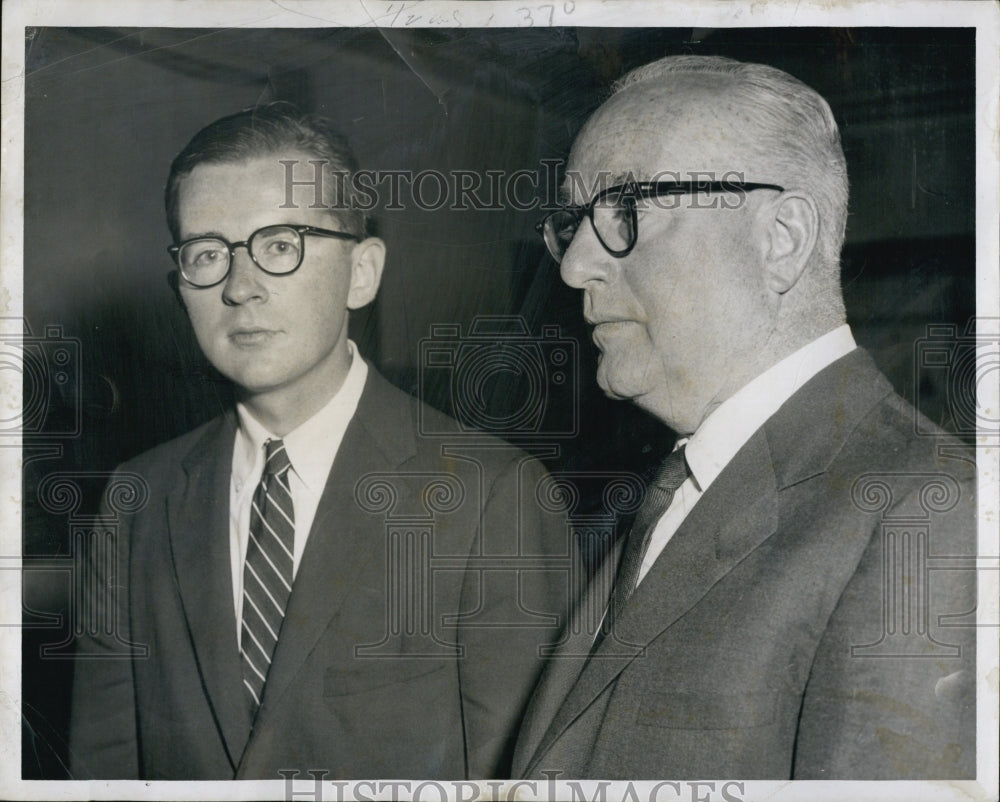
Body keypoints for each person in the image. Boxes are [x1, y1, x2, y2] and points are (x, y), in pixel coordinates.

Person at [68, 104, 567, 780]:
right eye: (207, 254)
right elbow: (101, 776)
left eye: (280, 245)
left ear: (362, 272)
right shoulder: (136, 502)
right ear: (179, 287)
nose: (240, 288)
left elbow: (530, 781)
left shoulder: (493, 498)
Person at [513, 55, 976, 780]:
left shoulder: (930, 514)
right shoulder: (674, 491)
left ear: (781, 238)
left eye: (626, 209)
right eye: (573, 223)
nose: (573, 267)